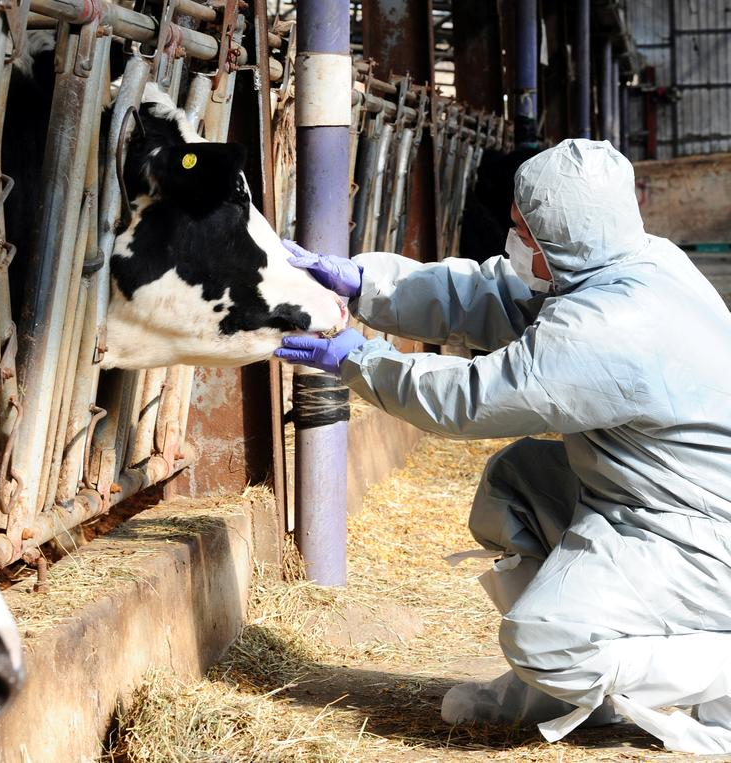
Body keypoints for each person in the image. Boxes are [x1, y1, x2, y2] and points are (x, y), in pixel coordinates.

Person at [274, 139, 731, 754]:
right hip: (650, 495)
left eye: (524, 230)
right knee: (516, 485)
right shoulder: (632, 262)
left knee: (544, 638)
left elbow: (470, 398)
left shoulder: (611, 326)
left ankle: (699, 670)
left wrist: (362, 362)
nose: (513, 239)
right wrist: (367, 285)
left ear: (564, 236)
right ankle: (563, 698)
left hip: (700, 537)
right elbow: (493, 296)